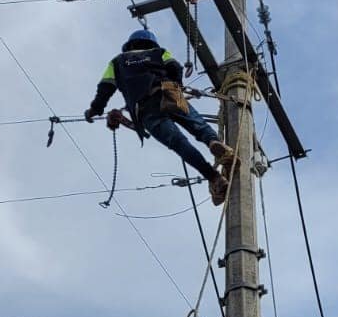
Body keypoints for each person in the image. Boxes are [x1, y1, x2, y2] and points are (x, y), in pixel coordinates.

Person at [85, 27, 235, 204]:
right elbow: (175, 66)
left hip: (145, 107)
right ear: (151, 43)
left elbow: (105, 88)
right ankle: (213, 142)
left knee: (179, 143)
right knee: (198, 126)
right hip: (168, 92)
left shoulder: (117, 62)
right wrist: (175, 85)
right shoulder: (159, 52)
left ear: (129, 45)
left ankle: (214, 177)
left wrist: (95, 109)